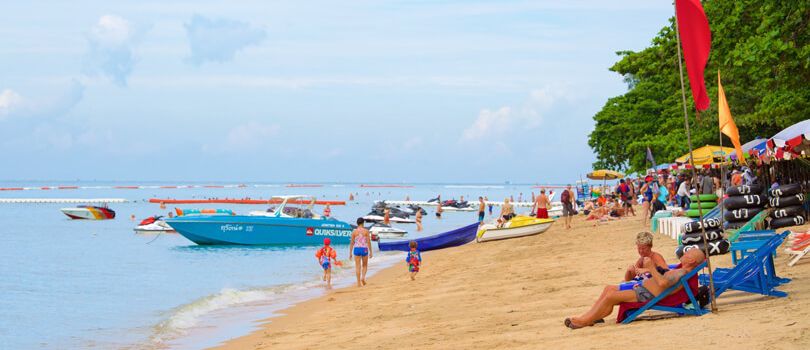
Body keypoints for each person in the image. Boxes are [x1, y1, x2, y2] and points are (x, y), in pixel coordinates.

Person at [564, 249, 705, 329]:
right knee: (609, 289)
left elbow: (662, 283)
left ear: (692, 261)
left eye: (688, 254)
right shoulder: (681, 270)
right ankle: (589, 317)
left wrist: (650, 268)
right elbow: (664, 278)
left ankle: (584, 321)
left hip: (647, 295)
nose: (684, 254)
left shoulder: (682, 273)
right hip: (644, 290)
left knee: (610, 297)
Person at [349, 217, 372, 287]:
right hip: (364, 249)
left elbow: (352, 243)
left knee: (357, 266)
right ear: (363, 223)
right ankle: (363, 277)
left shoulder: (354, 232)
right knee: (364, 265)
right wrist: (371, 251)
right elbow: (368, 242)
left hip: (356, 249)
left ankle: (358, 283)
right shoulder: (366, 231)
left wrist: (350, 253)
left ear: (357, 223)